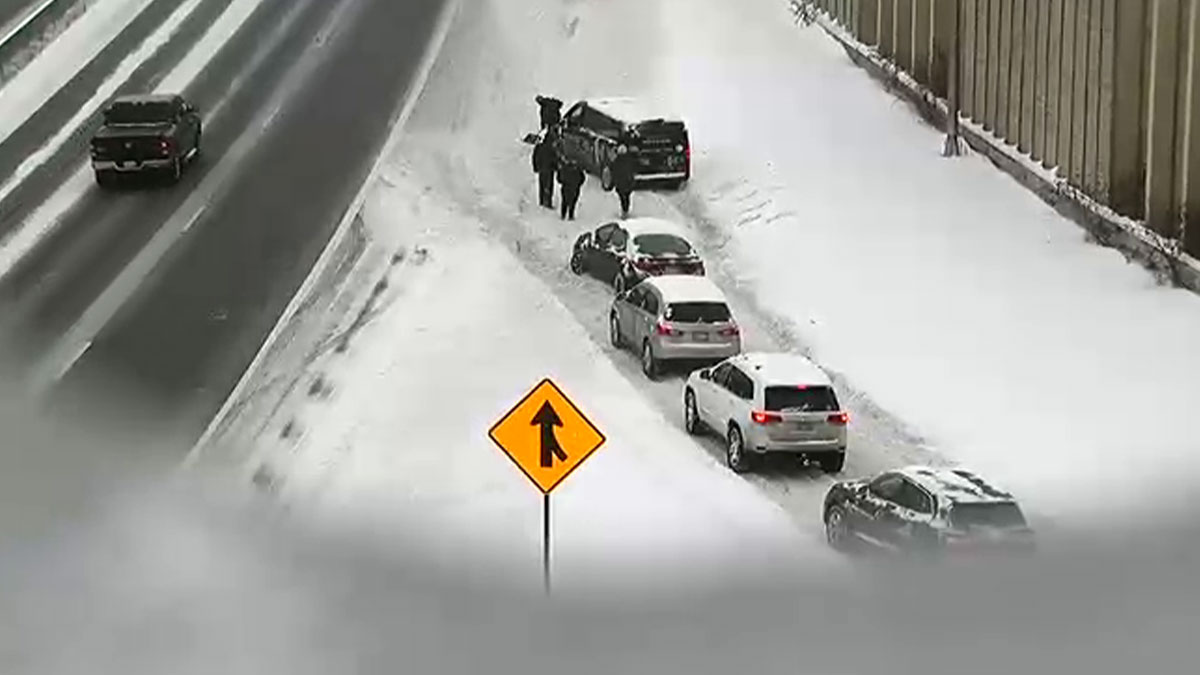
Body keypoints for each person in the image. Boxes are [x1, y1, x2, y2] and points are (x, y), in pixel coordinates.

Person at [532, 132, 558, 209]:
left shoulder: (539, 146)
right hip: (549, 170)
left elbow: (535, 157)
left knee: (542, 184)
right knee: (549, 186)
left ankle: (541, 200)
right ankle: (548, 202)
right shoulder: (552, 148)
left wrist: (536, 167)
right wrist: (556, 167)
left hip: (542, 169)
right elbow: (555, 159)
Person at [611, 144, 637, 218]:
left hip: (621, 183)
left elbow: (613, 172)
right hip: (627, 183)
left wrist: (614, 182)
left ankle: (624, 211)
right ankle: (625, 211)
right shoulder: (629, 160)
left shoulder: (616, 161)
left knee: (623, 198)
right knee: (626, 198)